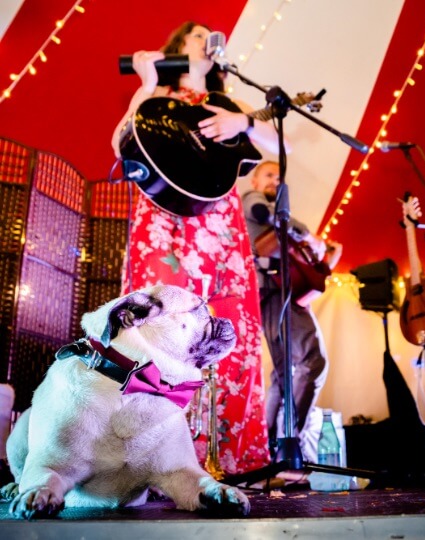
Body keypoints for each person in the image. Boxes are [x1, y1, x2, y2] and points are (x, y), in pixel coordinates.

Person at [111, 21, 289, 474]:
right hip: (164, 224)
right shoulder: (158, 97)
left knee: (227, 329)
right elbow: (120, 143)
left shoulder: (226, 101)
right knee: (162, 325)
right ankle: (157, 457)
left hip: (221, 228)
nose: (210, 42)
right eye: (198, 36)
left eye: (214, 39)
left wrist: (244, 121)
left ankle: (226, 456)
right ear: (177, 48)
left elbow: (274, 144)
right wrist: (148, 84)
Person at [242, 160, 342, 461]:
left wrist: (321, 252)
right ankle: (289, 439)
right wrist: (307, 234)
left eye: (279, 177)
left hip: (278, 292)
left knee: (284, 373)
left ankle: (270, 445)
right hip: (274, 292)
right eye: (269, 175)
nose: (275, 181)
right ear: (256, 182)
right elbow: (262, 214)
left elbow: (312, 261)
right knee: (313, 362)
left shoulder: (277, 218)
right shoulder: (253, 201)